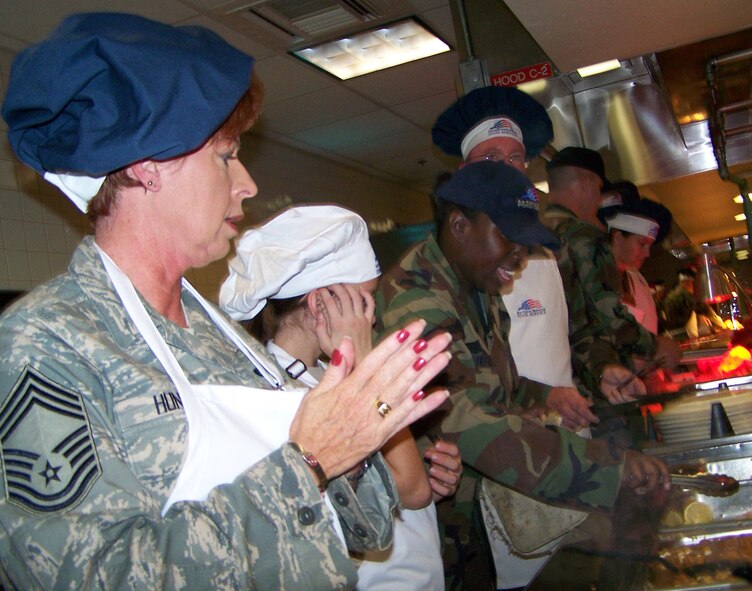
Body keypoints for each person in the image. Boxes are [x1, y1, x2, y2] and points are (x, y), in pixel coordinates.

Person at [0, 14, 453, 589]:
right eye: (225, 156)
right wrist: (310, 461)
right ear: (149, 164)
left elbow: (366, 531)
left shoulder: (225, 336)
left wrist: (362, 431)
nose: (248, 183)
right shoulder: (46, 343)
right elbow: (91, 576)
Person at [373, 160, 671, 591]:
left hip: (473, 507)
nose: (519, 256)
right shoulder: (415, 303)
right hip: (432, 521)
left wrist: (544, 396)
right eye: (510, 238)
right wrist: (609, 470)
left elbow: (488, 382)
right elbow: (461, 420)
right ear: (459, 225)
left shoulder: (477, 285)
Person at [219, 204, 463, 590]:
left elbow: (406, 486)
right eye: (365, 301)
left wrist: (434, 473)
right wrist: (366, 360)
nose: (373, 317)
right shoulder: (278, 393)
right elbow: (412, 490)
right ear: (320, 305)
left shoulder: (322, 371)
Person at [431, 86, 596, 588]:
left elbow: (573, 333)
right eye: (491, 157)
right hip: (500, 460)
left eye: (515, 156)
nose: (507, 166)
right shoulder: (464, 262)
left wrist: (573, 385)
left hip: (561, 438)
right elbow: (461, 394)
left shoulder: (546, 250)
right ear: (466, 173)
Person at [543, 148, 681, 425]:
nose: (598, 199)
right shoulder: (583, 236)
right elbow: (606, 317)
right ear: (586, 183)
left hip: (549, 384)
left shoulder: (533, 233)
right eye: (598, 188)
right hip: (595, 384)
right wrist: (656, 347)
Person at [601, 189, 673, 335]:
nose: (647, 254)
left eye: (650, 246)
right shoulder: (596, 280)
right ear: (618, 238)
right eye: (642, 244)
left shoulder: (638, 280)